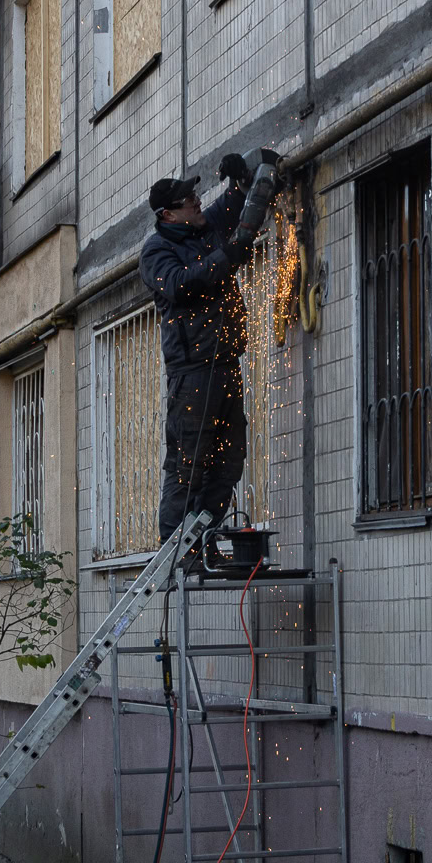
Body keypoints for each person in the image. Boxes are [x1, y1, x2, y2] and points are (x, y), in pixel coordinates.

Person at [141, 150, 277, 563]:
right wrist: (227, 255)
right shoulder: (156, 252)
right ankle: (175, 550)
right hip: (193, 371)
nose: (198, 203)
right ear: (169, 214)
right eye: (188, 201)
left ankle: (202, 541)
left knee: (227, 461)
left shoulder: (204, 227)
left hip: (226, 365)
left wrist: (242, 175)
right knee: (188, 464)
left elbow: (239, 201)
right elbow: (182, 285)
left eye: (196, 198)